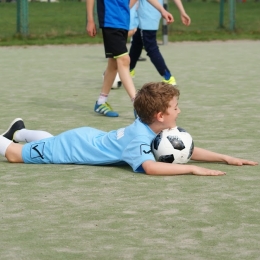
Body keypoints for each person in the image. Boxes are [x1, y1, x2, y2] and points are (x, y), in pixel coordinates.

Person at [0, 82, 257, 176]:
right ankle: (15, 140)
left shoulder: (153, 129)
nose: (179, 111)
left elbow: (187, 149)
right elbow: (151, 167)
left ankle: (20, 132)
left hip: (83, 138)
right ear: (160, 115)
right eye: (175, 108)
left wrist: (225, 157)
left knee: (47, 141)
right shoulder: (140, 139)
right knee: (14, 155)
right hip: (70, 148)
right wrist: (191, 169)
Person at [86, 0, 173, 117]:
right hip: (110, 21)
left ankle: (101, 102)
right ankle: (138, 105)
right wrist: (90, 20)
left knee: (114, 64)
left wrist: (162, 10)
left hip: (123, 22)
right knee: (124, 60)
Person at [129, 0, 191, 85]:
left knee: (151, 47)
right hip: (147, 13)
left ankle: (168, 77)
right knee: (137, 42)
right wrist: (182, 12)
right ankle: (128, 69)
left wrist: (182, 12)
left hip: (147, 15)